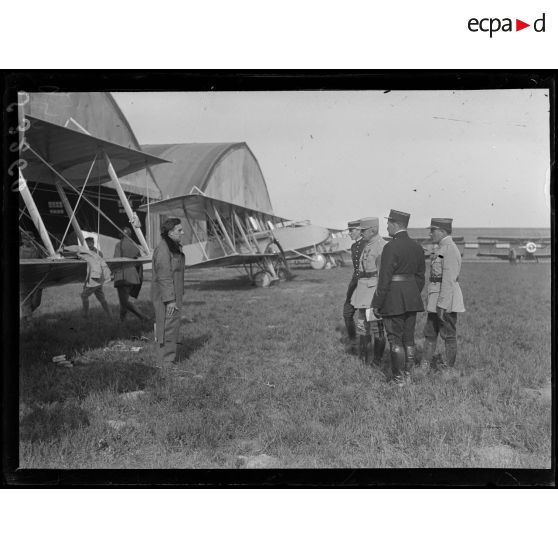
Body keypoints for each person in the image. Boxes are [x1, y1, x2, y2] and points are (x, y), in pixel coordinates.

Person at [371, 209, 425, 386]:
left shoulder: (390, 247)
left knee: (395, 340)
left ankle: (398, 379)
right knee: (408, 338)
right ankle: (408, 376)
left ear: (395, 224)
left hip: (393, 299)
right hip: (412, 298)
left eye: (388, 223)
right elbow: (420, 277)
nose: (386, 226)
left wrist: (377, 303)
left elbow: (384, 278)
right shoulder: (417, 247)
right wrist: (411, 292)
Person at [421, 218, 465, 374]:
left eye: (433, 230)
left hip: (445, 301)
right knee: (430, 334)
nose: (430, 233)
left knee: (448, 335)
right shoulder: (442, 248)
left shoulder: (450, 249)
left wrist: (442, 305)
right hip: (436, 299)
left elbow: (448, 280)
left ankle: (449, 370)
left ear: (443, 231)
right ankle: (424, 367)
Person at [350, 217, 387, 366]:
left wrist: (379, 297)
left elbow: (382, 274)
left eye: (364, 230)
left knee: (376, 328)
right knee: (361, 327)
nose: (361, 233)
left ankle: (376, 361)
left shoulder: (382, 246)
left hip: (373, 294)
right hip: (362, 292)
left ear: (373, 230)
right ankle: (364, 360)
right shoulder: (367, 244)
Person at [151, 218, 186, 366]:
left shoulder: (172, 247)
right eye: (179, 230)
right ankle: (165, 363)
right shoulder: (164, 249)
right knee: (167, 327)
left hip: (173, 295)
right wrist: (170, 300)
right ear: (170, 232)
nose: (182, 232)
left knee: (171, 326)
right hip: (167, 297)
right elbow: (164, 276)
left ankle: (167, 360)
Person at [68, 241, 112, 318]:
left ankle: (85, 315)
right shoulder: (91, 252)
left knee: (84, 295)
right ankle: (110, 315)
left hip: (95, 278)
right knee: (101, 297)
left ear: (92, 243)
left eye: (90, 243)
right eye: (87, 243)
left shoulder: (93, 253)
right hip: (97, 278)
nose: (88, 244)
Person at [113, 227, 149, 322]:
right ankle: (122, 321)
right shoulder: (135, 246)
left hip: (122, 277)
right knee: (123, 300)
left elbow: (116, 260)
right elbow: (139, 262)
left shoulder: (118, 245)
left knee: (124, 302)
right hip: (133, 277)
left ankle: (143, 317)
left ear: (122, 234)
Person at [342, 219, 364, 354]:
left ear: (359, 230)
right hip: (355, 283)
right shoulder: (354, 246)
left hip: (365, 284)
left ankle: (364, 343)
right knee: (347, 313)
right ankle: (353, 341)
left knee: (365, 317)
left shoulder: (367, 244)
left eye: (352, 230)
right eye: (349, 230)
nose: (349, 233)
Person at [19, 233, 44, 325]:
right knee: (25, 299)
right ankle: (30, 321)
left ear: (33, 239)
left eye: (30, 238)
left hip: (36, 278)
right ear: (22, 240)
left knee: (37, 302)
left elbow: (44, 261)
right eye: (25, 238)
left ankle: (25, 315)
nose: (27, 240)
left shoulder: (38, 250)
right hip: (22, 279)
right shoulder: (20, 250)